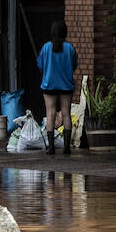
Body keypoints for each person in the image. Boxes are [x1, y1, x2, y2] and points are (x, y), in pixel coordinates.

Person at [36, 20, 78, 155]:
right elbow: (74, 65)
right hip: (66, 85)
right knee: (66, 114)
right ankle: (66, 147)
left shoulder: (46, 48)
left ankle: (51, 147)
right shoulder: (70, 48)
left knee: (50, 114)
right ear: (65, 32)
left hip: (49, 85)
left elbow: (40, 65)